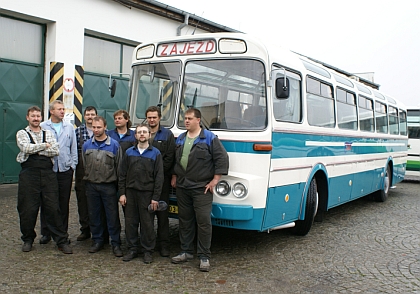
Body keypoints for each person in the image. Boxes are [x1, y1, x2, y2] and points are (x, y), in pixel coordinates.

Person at [171, 108, 229, 272]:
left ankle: (204, 256)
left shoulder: (209, 138)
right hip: (183, 186)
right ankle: (186, 251)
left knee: (203, 222)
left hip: (201, 188)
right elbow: (177, 160)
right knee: (185, 220)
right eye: (185, 118)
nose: (186, 121)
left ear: (198, 120)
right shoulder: (181, 138)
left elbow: (221, 158)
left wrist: (215, 180)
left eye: (190, 118)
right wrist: (175, 175)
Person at [16, 106, 72, 254]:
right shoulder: (22, 133)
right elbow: (25, 148)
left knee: (53, 208)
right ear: (28, 118)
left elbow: (55, 150)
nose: (36, 119)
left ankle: (61, 240)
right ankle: (28, 239)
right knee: (28, 208)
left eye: (38, 116)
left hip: (48, 174)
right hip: (29, 175)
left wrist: (38, 148)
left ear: (41, 117)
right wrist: (44, 146)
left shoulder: (48, 133)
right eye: (33, 116)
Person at [119, 124, 164, 264]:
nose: (142, 134)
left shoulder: (155, 153)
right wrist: (122, 194)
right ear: (135, 135)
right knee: (130, 222)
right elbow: (122, 174)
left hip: (147, 194)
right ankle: (132, 249)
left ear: (149, 135)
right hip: (131, 193)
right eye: (139, 132)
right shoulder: (128, 152)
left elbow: (159, 177)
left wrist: (155, 198)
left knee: (147, 224)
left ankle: (147, 251)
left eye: (145, 132)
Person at [83, 116, 123, 257]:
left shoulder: (114, 145)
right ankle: (97, 241)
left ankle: (116, 243)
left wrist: (119, 188)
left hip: (108, 186)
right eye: (94, 127)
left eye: (99, 127)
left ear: (105, 127)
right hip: (91, 185)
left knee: (112, 216)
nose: (96, 130)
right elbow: (84, 163)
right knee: (94, 215)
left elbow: (119, 167)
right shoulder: (87, 145)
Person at [39, 100, 78, 244]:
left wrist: (72, 165)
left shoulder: (69, 127)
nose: (63, 111)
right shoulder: (43, 126)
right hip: (48, 170)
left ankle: (62, 232)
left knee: (63, 202)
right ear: (52, 111)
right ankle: (46, 232)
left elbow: (73, 148)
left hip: (65, 170)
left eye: (63, 109)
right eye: (59, 109)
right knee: (47, 202)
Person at [145, 106, 175, 257]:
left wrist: (158, 173)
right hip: (145, 182)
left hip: (161, 181)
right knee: (147, 215)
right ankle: (148, 246)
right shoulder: (142, 133)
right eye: (149, 117)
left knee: (162, 214)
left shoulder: (167, 134)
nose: (151, 120)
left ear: (159, 118)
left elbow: (170, 156)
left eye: (154, 117)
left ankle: (164, 245)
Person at [74, 106, 96, 241]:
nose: (90, 117)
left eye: (92, 114)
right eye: (87, 114)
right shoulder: (78, 131)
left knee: (96, 202)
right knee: (82, 201)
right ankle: (85, 229)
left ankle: (97, 230)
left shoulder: (102, 131)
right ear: (84, 116)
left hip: (98, 171)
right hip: (81, 171)